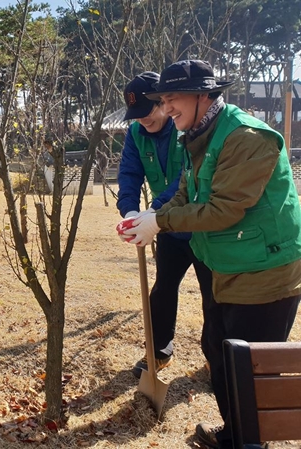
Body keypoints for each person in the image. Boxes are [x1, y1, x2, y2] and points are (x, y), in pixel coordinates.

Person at [120, 60, 301, 449]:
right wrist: (153, 214)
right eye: (162, 100)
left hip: (264, 271)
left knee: (251, 372)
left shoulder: (246, 137)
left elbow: (225, 209)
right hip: (226, 265)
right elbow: (187, 192)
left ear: (204, 95)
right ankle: (235, 434)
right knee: (219, 353)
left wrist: (161, 223)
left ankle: (250, 441)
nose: (166, 108)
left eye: (172, 99)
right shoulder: (196, 134)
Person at [117, 72, 213, 379]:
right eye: (136, 115)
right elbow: (129, 173)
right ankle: (159, 351)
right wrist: (130, 211)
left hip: (201, 225)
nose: (143, 120)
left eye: (147, 112)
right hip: (166, 227)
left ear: (164, 103)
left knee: (213, 293)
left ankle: (215, 357)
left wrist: (153, 213)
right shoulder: (136, 133)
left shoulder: (185, 127)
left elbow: (183, 180)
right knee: (163, 288)